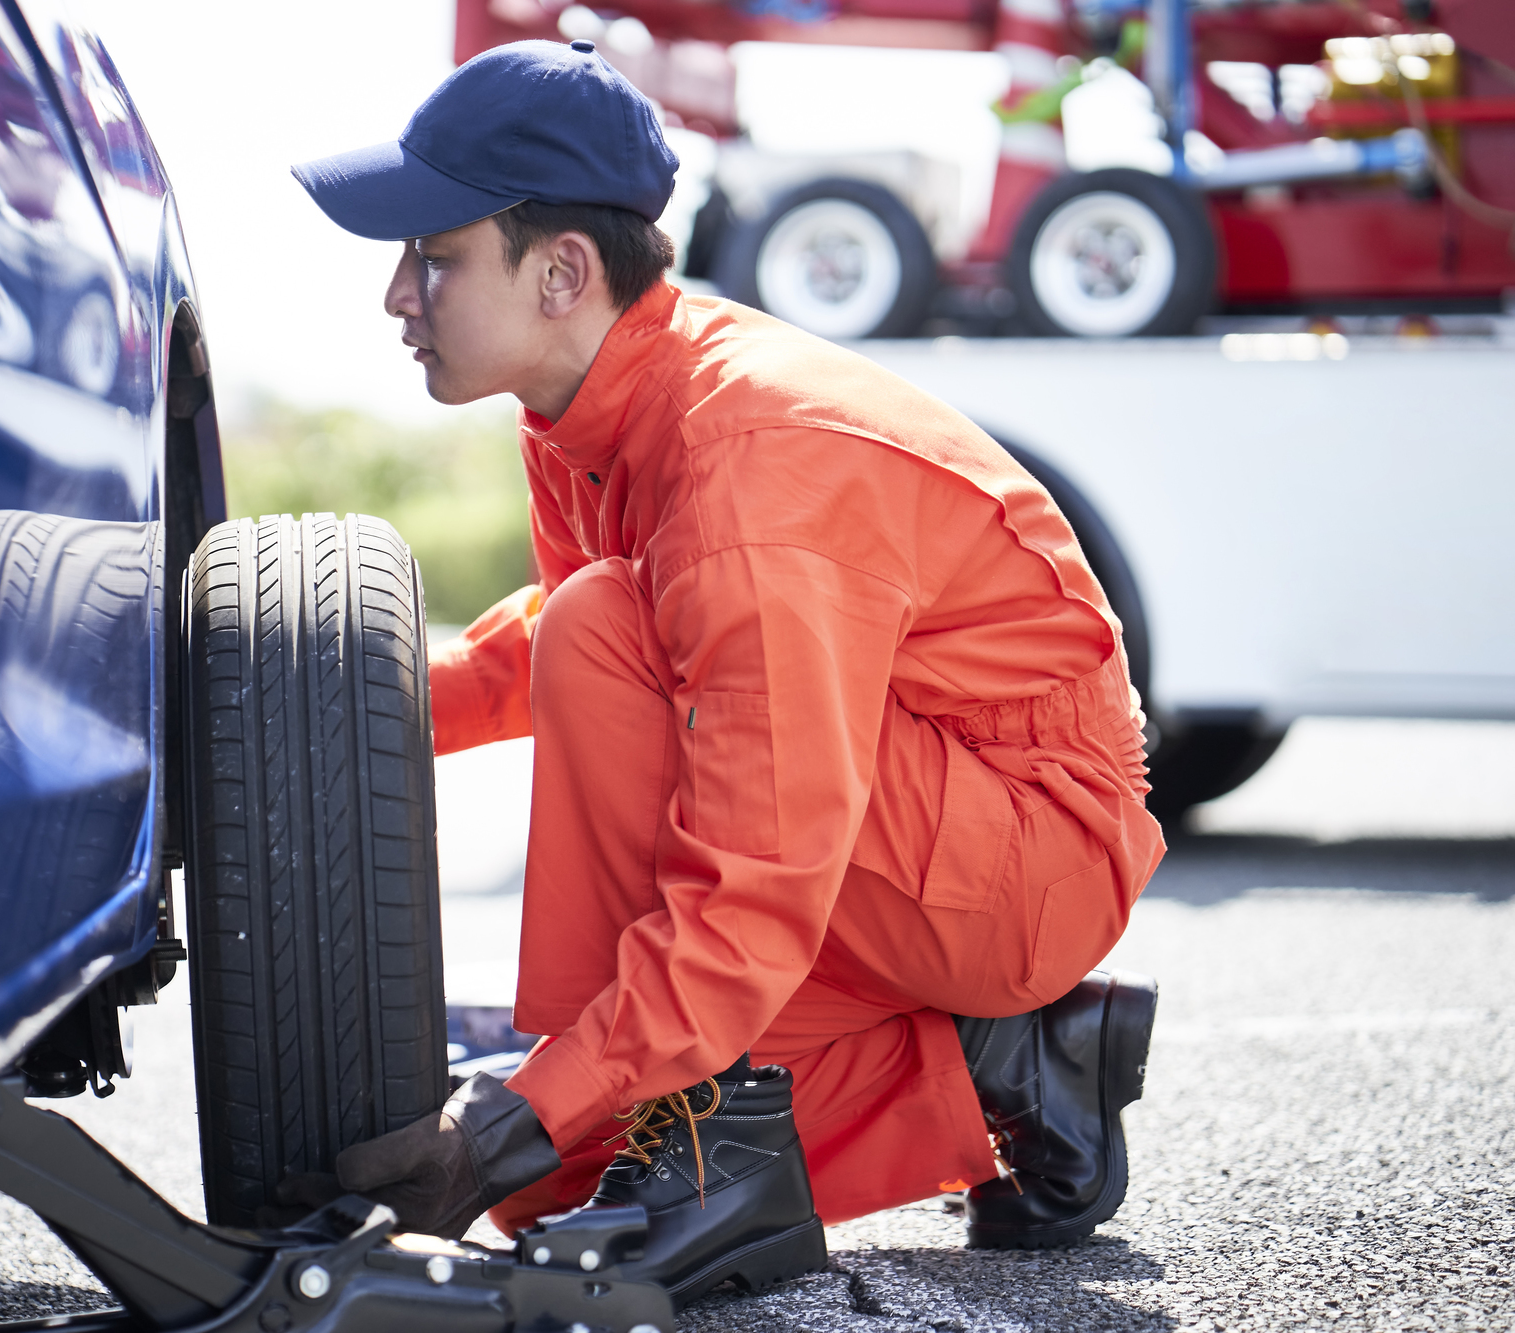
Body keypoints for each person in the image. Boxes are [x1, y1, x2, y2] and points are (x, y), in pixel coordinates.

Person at [288, 39, 1167, 1299]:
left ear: (561, 272)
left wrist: (504, 1115)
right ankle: (1006, 1061)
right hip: (916, 822)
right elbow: (601, 648)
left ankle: (717, 1137)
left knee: (575, 1114)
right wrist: (342, 709)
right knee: (571, 1148)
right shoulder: (587, 406)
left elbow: (752, 869)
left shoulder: (748, 465)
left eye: (433, 255)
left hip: (1027, 850)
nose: (395, 294)